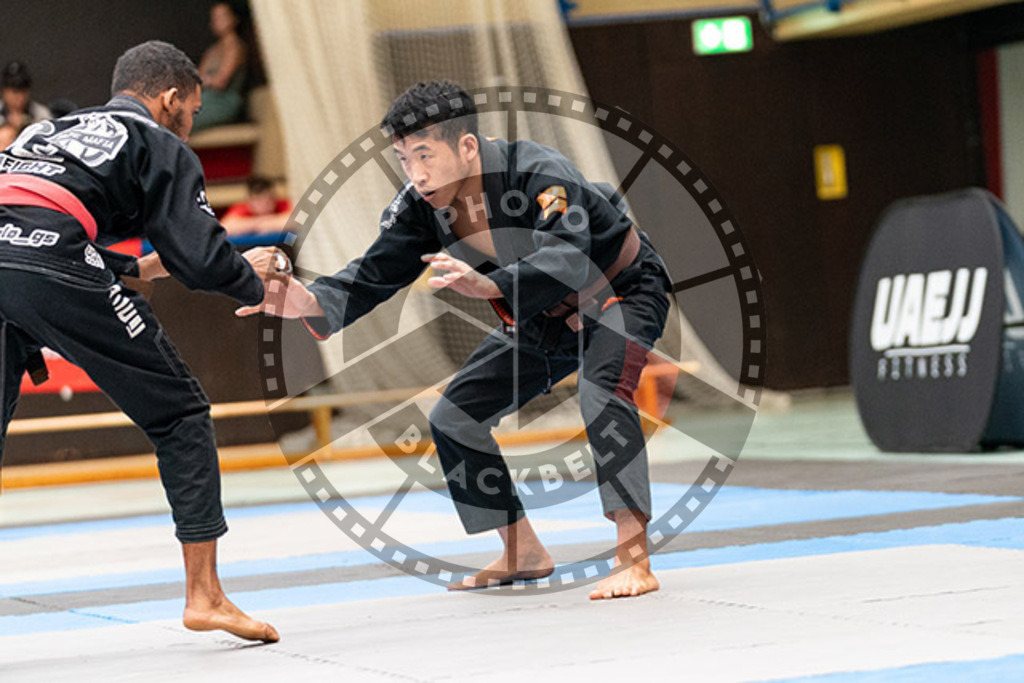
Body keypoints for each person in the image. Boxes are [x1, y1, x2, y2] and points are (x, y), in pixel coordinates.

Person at [240, 81, 673, 600]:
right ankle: (522, 552)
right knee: (454, 415)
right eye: (404, 158)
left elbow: (568, 255)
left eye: (425, 154)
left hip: (618, 291)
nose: (416, 173)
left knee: (601, 389)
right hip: (541, 317)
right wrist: (308, 300)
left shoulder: (537, 171)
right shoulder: (423, 205)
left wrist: (493, 285)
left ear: (467, 146)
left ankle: (635, 559)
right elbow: (373, 273)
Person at [0, 40, 278, 642]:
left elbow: (37, 218)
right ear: (171, 97)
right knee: (180, 413)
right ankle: (204, 596)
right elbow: (203, 259)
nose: (191, 127)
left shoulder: (48, 130)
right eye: (193, 113)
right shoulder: (156, 141)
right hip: (51, 260)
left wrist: (142, 269)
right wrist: (256, 282)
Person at [191, 1, 247, 132]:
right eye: (215, 18)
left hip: (223, 101)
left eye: (223, 17)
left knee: (181, 121)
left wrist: (205, 79)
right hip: (205, 98)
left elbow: (221, 81)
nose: (218, 22)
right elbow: (197, 81)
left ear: (234, 19)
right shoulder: (212, 50)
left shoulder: (235, 47)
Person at [0, 61, 52, 149]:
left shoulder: (40, 114)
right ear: (4, 91)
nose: (19, 97)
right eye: (14, 92)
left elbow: (50, 142)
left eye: (23, 91)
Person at [221, 175, 292, 236]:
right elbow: (226, 228)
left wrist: (252, 226)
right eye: (258, 201)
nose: (264, 205)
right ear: (249, 200)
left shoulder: (282, 204)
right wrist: (264, 223)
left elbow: (295, 222)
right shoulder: (242, 208)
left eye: (268, 200)